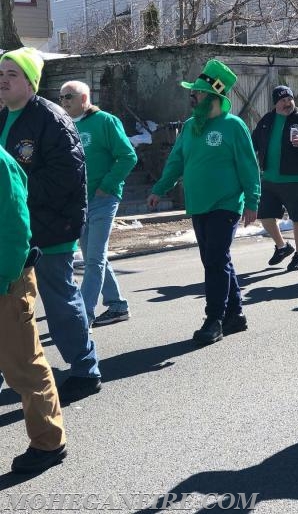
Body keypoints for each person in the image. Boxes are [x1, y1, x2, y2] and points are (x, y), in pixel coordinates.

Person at [0, 48, 101, 405]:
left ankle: (85, 369)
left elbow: (65, 179)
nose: (3, 80)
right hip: (12, 232)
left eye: (12, 74)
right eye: (1, 73)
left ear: (30, 82)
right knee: (8, 306)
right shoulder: (3, 118)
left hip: (50, 230)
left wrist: (14, 188)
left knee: (59, 303)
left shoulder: (52, 119)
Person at [147, 59, 260, 345]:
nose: (192, 96)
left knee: (215, 258)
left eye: (196, 92)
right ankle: (235, 314)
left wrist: (252, 200)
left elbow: (248, 165)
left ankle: (214, 320)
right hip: (198, 204)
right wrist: (160, 188)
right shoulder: (189, 127)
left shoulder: (233, 126)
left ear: (211, 96)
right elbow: (176, 162)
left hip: (226, 203)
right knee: (215, 259)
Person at [0, 143, 67, 474]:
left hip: (7, 282)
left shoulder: (2, 164)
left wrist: (4, 280)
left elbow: (15, 230)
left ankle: (49, 442)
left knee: (24, 365)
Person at [59, 80, 137, 327]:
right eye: (61, 97)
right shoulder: (66, 124)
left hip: (103, 199)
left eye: (69, 96)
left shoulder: (105, 121)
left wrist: (107, 185)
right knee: (96, 256)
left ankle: (84, 315)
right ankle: (117, 305)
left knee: (93, 260)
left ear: (84, 99)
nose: (64, 101)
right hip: (79, 202)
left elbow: (127, 156)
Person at [251, 86, 298, 271]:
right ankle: (282, 247)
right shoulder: (267, 120)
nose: (287, 103)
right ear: (275, 102)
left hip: (297, 177)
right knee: (266, 217)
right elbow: (253, 142)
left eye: (289, 99)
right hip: (270, 178)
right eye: (283, 100)